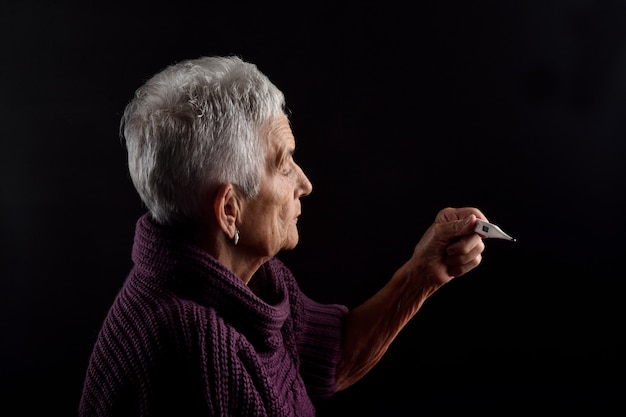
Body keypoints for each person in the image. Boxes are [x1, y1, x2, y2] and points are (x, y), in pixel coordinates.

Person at [79, 55, 488, 417]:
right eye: (283, 164)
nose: (305, 183)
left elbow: (327, 360)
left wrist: (424, 273)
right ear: (228, 210)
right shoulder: (196, 346)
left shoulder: (253, 279)